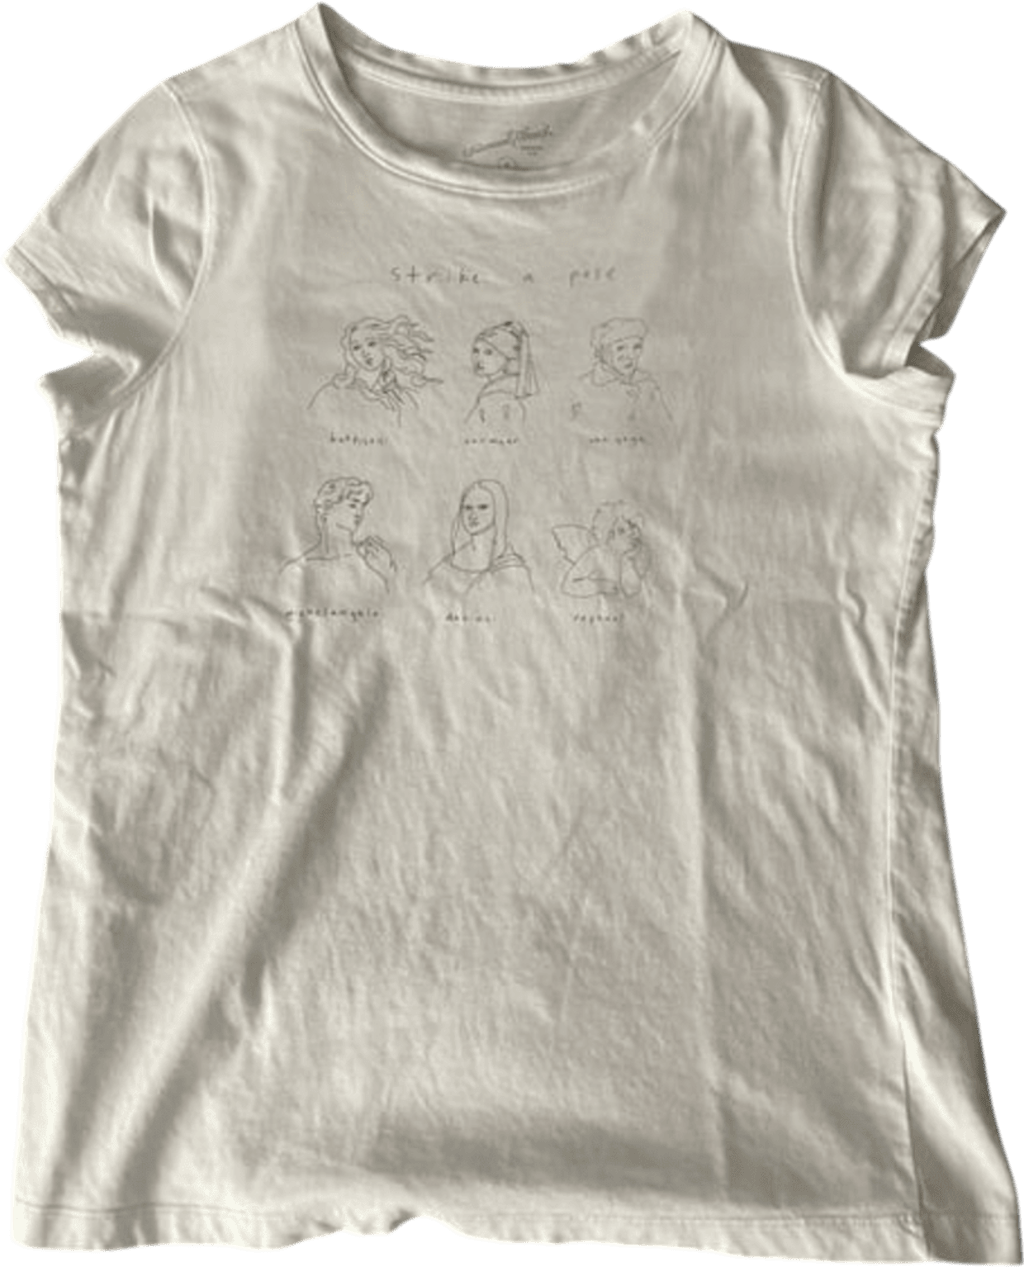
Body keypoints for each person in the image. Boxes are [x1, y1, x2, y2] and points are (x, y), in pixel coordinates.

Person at [309, 314, 440, 420]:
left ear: (384, 345)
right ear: (351, 355)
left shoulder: (399, 395)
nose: (364, 352)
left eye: (371, 344)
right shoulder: (335, 391)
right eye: (356, 347)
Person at [284, 476, 397, 591]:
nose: (359, 513)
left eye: (362, 507)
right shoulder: (297, 567)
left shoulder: (372, 559)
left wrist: (388, 573)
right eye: (352, 505)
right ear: (328, 507)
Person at [426, 479, 533, 598]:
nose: (473, 515)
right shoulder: (447, 563)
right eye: (467, 508)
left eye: (482, 507)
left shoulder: (510, 566)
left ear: (498, 510)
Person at [577, 316, 670, 427]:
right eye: (620, 348)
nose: (631, 355)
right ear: (603, 352)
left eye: (637, 347)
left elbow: (666, 429)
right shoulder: (583, 387)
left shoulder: (648, 385)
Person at [554, 501, 651, 599]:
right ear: (609, 535)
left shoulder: (633, 558)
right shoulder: (595, 554)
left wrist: (627, 561)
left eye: (632, 529)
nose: (629, 535)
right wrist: (601, 586)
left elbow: (632, 591)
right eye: (621, 531)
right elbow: (568, 585)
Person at [464, 320, 538, 426]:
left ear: (507, 356)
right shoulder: (494, 391)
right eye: (475, 351)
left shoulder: (498, 396)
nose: (479, 358)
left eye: (488, 352)